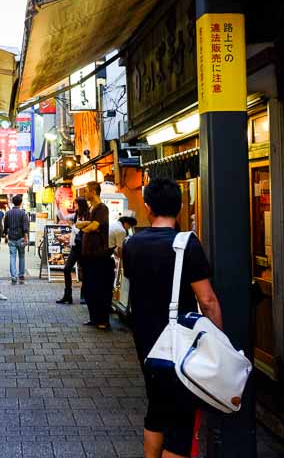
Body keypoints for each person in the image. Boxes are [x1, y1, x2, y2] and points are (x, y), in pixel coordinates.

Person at [122, 178, 222, 458]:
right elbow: (207, 299)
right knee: (180, 421)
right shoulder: (187, 244)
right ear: (179, 208)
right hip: (181, 343)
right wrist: (218, 339)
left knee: (156, 410)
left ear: (147, 206)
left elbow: (134, 283)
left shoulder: (132, 245)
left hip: (147, 341)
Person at [76, 182, 111, 330]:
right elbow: (82, 225)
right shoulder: (91, 209)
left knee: (100, 288)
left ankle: (103, 320)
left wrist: (86, 227)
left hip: (99, 255)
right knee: (89, 288)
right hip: (88, 255)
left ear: (94, 192)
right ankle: (94, 318)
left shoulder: (102, 208)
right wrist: (86, 226)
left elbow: (93, 226)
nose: (85, 193)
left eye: (87, 191)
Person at [56, 198, 89, 305]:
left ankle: (84, 295)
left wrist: (73, 226)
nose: (74, 205)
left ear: (81, 204)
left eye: (76, 204)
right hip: (75, 247)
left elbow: (83, 230)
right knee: (66, 269)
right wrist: (57, 206)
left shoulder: (87, 216)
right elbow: (63, 217)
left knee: (84, 272)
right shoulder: (75, 215)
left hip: (84, 247)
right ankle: (67, 295)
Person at [3, 194, 29, 284]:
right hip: (21, 238)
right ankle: (21, 275)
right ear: (20, 203)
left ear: (13, 202)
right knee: (22, 256)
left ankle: (13, 276)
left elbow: (5, 226)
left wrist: (6, 235)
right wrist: (26, 238)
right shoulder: (23, 213)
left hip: (11, 238)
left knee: (12, 257)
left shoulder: (8, 213)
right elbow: (25, 227)